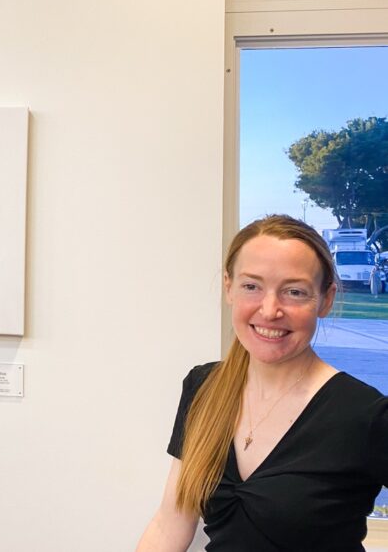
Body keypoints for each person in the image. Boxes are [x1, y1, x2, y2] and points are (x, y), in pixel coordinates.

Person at [136, 215, 388, 551]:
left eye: (294, 292)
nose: (270, 311)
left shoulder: (365, 415)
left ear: (325, 299)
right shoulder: (204, 387)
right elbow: (170, 524)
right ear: (229, 288)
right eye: (251, 286)